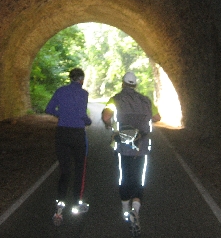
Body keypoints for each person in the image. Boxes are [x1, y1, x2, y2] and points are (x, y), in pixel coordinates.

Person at [101, 71, 161, 237]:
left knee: (124, 177)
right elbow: (157, 117)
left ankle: (126, 209)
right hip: (142, 146)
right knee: (139, 179)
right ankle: (136, 210)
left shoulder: (116, 99)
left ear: (123, 84)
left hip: (123, 147)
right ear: (135, 85)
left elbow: (106, 117)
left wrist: (111, 124)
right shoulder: (146, 100)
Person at [45, 68, 92, 226]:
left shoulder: (60, 91)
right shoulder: (84, 94)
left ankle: (60, 205)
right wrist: (88, 121)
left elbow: (49, 109)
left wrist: (62, 115)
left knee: (65, 170)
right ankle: (77, 202)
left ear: (70, 78)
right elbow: (82, 115)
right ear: (81, 80)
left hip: (62, 134)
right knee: (80, 168)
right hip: (78, 134)